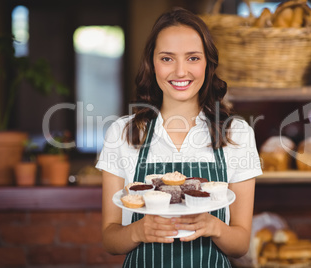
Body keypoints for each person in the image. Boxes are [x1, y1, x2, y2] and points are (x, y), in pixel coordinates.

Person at [96, 7, 262, 267]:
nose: (180, 71)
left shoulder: (236, 133)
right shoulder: (123, 132)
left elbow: (240, 245)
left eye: (193, 58)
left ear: (208, 64)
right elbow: (110, 239)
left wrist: (214, 226)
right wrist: (138, 231)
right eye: (167, 58)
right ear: (152, 64)